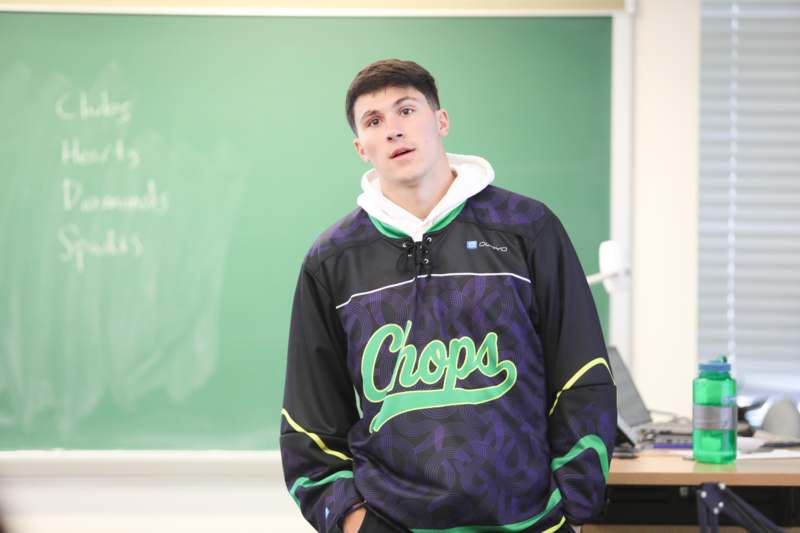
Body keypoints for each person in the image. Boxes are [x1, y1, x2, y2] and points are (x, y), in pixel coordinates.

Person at [280, 59, 616, 533]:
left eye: (406, 110)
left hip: (528, 523)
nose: (394, 130)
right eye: (374, 121)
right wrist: (355, 523)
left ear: (440, 121)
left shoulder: (526, 228)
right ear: (362, 147)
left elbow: (583, 375)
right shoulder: (333, 259)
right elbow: (308, 422)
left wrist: (573, 504)